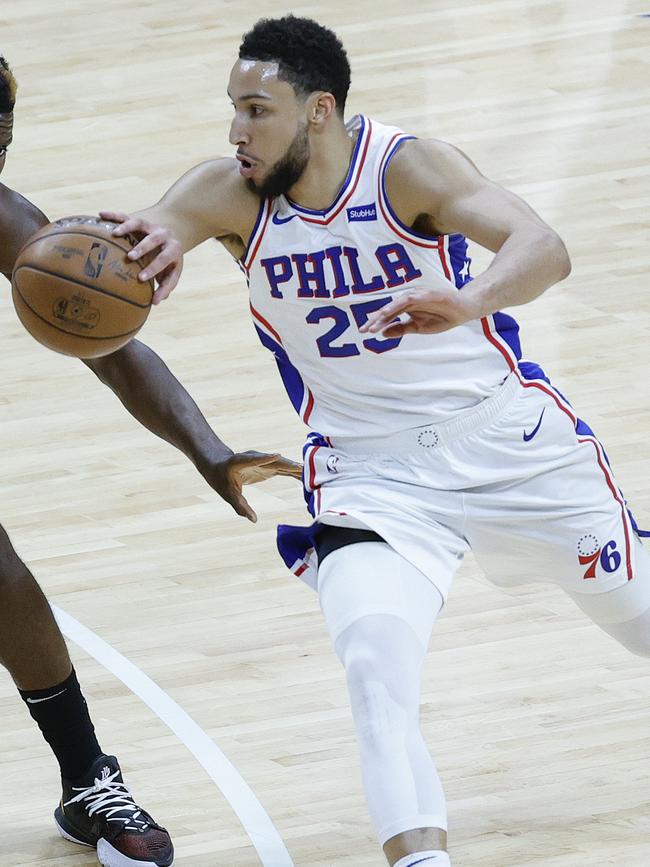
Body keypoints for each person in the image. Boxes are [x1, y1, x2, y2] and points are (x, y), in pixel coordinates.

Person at [101, 15, 650, 867]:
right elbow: (157, 225)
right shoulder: (230, 193)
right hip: (370, 475)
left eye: (258, 110)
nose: (239, 132)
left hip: (508, 445)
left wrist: (473, 298)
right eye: (233, 110)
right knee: (374, 669)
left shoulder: (406, 169)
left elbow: (545, 246)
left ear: (319, 110)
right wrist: (133, 254)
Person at [0, 55, 301, 867]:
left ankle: (86, 778)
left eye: (2, 131)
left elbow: (115, 351)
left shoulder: (5, 218)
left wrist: (207, 450)